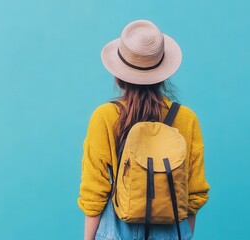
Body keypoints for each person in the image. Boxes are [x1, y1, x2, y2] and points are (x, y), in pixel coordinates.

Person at [77, 20, 210, 240]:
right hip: (172, 230)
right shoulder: (186, 119)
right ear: (163, 74)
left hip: (116, 231)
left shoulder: (105, 117)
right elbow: (194, 193)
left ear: (119, 76)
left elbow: (94, 193)